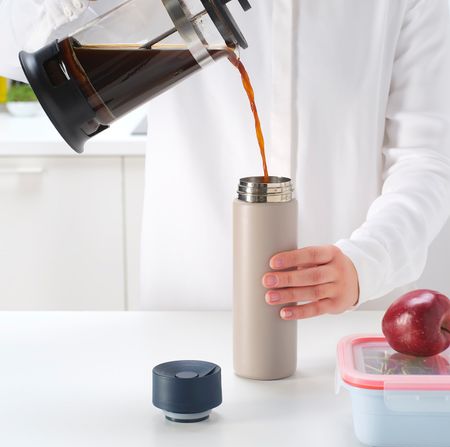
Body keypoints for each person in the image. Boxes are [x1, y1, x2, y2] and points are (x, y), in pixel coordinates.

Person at [1, 0, 449, 318]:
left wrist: (367, 262)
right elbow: (14, 50)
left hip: (349, 326)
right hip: (190, 316)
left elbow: (425, 157)